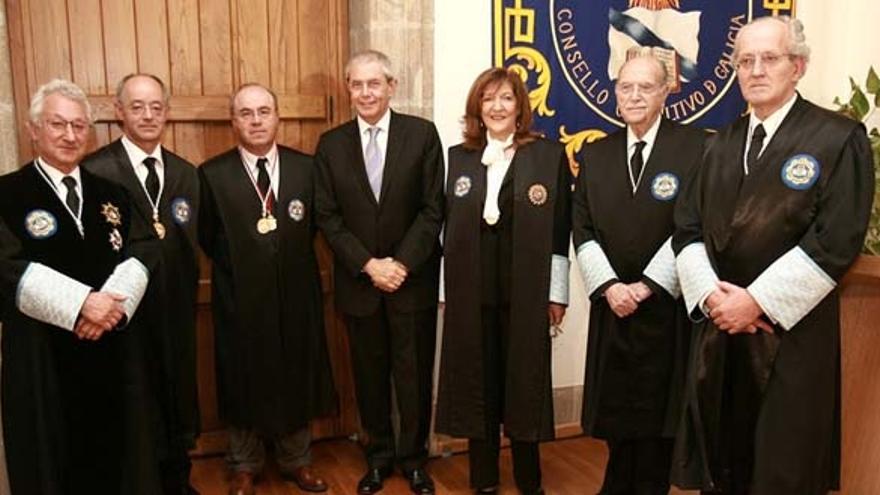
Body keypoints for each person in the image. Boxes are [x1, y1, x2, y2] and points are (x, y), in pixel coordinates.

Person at [672, 16, 875, 494]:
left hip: (790, 337)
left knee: (782, 468)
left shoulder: (837, 138)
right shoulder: (717, 144)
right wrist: (713, 300)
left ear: (798, 66)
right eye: (745, 60)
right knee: (723, 466)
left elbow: (836, 239)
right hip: (722, 334)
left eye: (770, 58)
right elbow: (686, 228)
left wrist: (756, 302)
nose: (756, 70)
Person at [0, 79, 150, 494]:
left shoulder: (113, 194)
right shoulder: (7, 195)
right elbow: (5, 267)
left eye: (79, 126)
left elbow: (141, 253)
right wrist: (82, 304)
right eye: (57, 125)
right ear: (33, 130)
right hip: (42, 356)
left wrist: (110, 310)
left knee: (116, 457)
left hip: (111, 349)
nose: (70, 135)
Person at [434, 67, 571, 495]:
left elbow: (560, 230)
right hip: (472, 295)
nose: (496, 106)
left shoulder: (547, 157)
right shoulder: (459, 157)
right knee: (479, 385)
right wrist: (445, 294)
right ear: (478, 107)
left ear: (520, 107)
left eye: (506, 98)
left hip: (526, 294)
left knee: (524, 385)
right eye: (488, 99)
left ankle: (530, 482)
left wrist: (557, 293)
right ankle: (484, 480)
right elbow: (446, 231)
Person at [572, 54, 705, 494]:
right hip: (613, 307)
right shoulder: (596, 153)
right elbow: (583, 228)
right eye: (625, 87)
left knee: (657, 424)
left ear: (667, 91)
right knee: (617, 418)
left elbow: (692, 223)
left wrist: (647, 286)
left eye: (645, 87)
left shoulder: (697, 148)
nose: (633, 96)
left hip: (665, 309)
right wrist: (610, 287)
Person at [314, 49, 444, 495]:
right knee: (369, 380)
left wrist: (401, 264)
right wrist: (369, 266)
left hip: (412, 283)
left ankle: (413, 460)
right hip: (360, 284)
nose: (365, 92)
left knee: (413, 377)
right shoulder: (331, 145)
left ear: (392, 86)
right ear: (348, 90)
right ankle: (378, 458)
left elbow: (432, 210)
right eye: (357, 84)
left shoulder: (422, 135)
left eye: (375, 83)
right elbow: (327, 217)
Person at [198, 83, 337, 495]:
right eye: (246, 113)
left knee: (297, 368)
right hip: (239, 296)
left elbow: (317, 224)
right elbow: (208, 235)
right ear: (233, 120)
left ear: (277, 117)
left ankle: (297, 460)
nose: (256, 120)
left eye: (264, 111)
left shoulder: (306, 168)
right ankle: (245, 464)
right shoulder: (212, 174)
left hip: (296, 292)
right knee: (242, 373)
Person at [82, 73, 201, 495]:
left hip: (178, 308)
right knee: (137, 401)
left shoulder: (187, 174)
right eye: (137, 106)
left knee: (179, 397)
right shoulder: (96, 171)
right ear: (119, 112)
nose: (148, 115)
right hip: (124, 316)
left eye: (156, 106)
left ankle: (179, 481)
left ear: (166, 112)